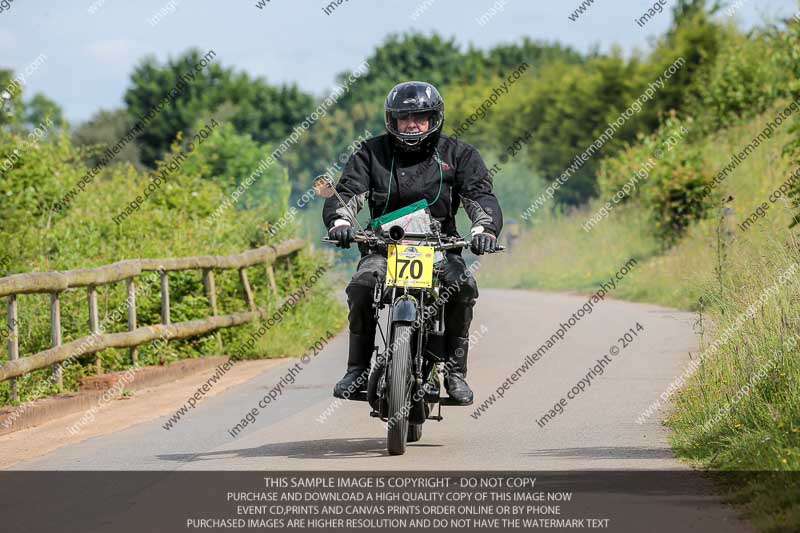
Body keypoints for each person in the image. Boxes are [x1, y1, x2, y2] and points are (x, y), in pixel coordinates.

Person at [322, 81, 503, 405]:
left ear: (435, 118)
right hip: (382, 248)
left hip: (439, 248)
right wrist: (341, 222)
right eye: (403, 118)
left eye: (420, 117)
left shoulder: (459, 154)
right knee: (362, 286)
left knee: (461, 287)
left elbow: (479, 196)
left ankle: (455, 371)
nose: (412, 124)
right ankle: (357, 369)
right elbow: (348, 192)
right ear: (391, 121)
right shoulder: (370, 153)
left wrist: (484, 230)